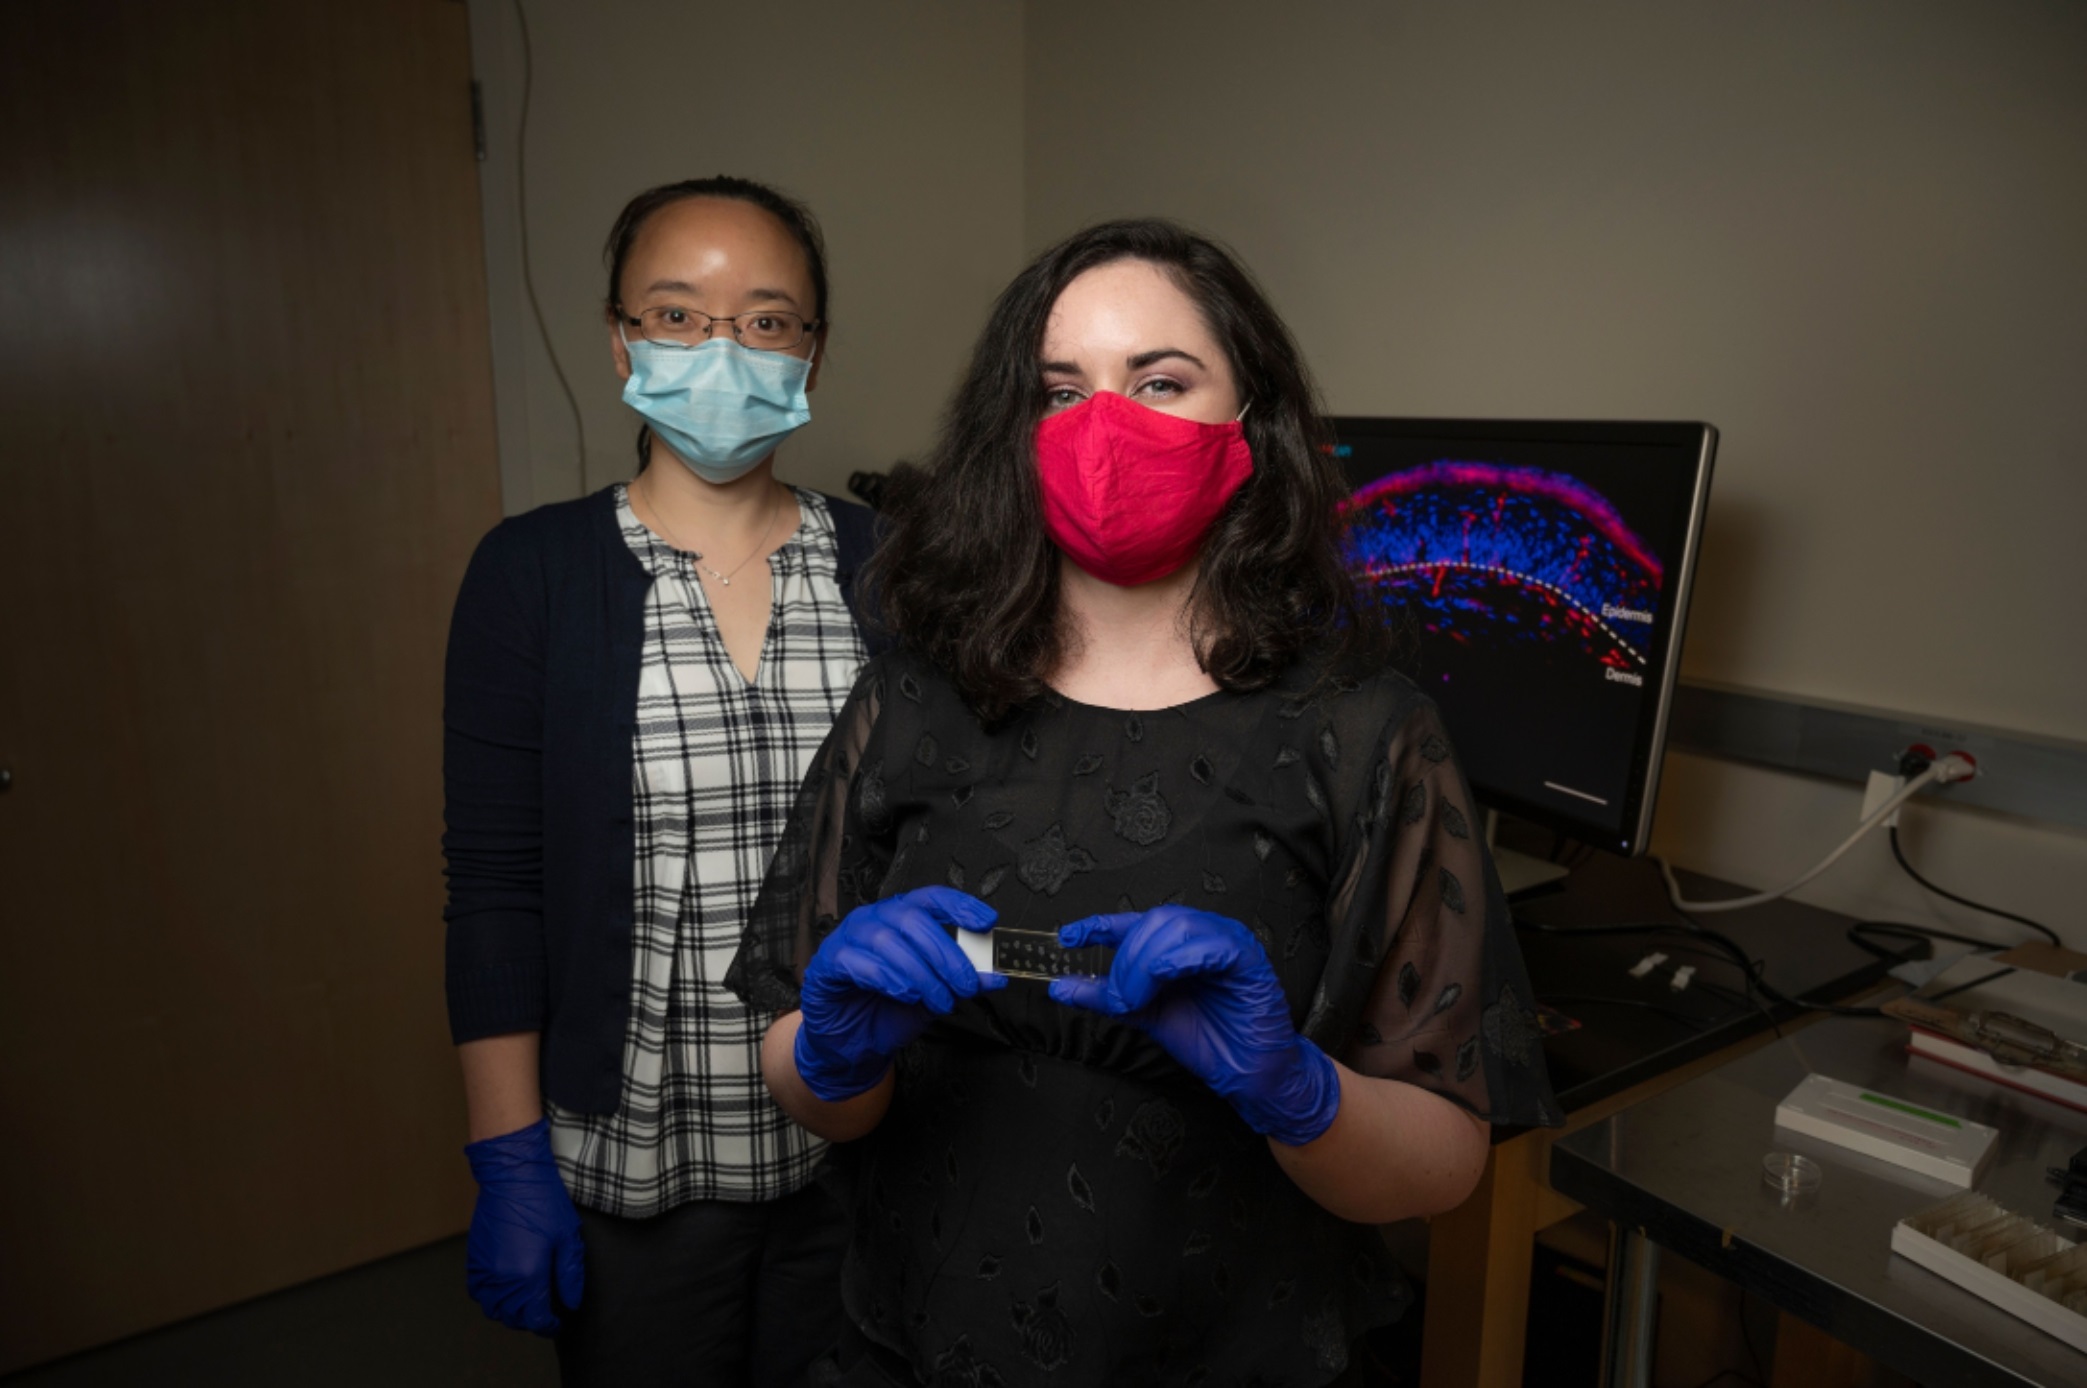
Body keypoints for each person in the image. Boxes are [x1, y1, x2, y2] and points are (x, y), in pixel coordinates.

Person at [730, 218, 1559, 1387]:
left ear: (1248, 421)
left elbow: (1440, 1163)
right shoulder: (908, 700)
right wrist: (828, 1052)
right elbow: (809, 1085)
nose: (1102, 427)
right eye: (1056, 391)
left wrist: (1298, 1091)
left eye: (1159, 380)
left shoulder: (1362, 732)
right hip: (912, 1342)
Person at [442, 175, 879, 1386]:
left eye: (766, 319)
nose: (722, 351)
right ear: (619, 334)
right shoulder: (531, 574)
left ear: (812, 351)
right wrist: (508, 1154)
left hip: (864, 1154)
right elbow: (493, 886)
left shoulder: (892, 574)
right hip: (634, 1167)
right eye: (679, 315)